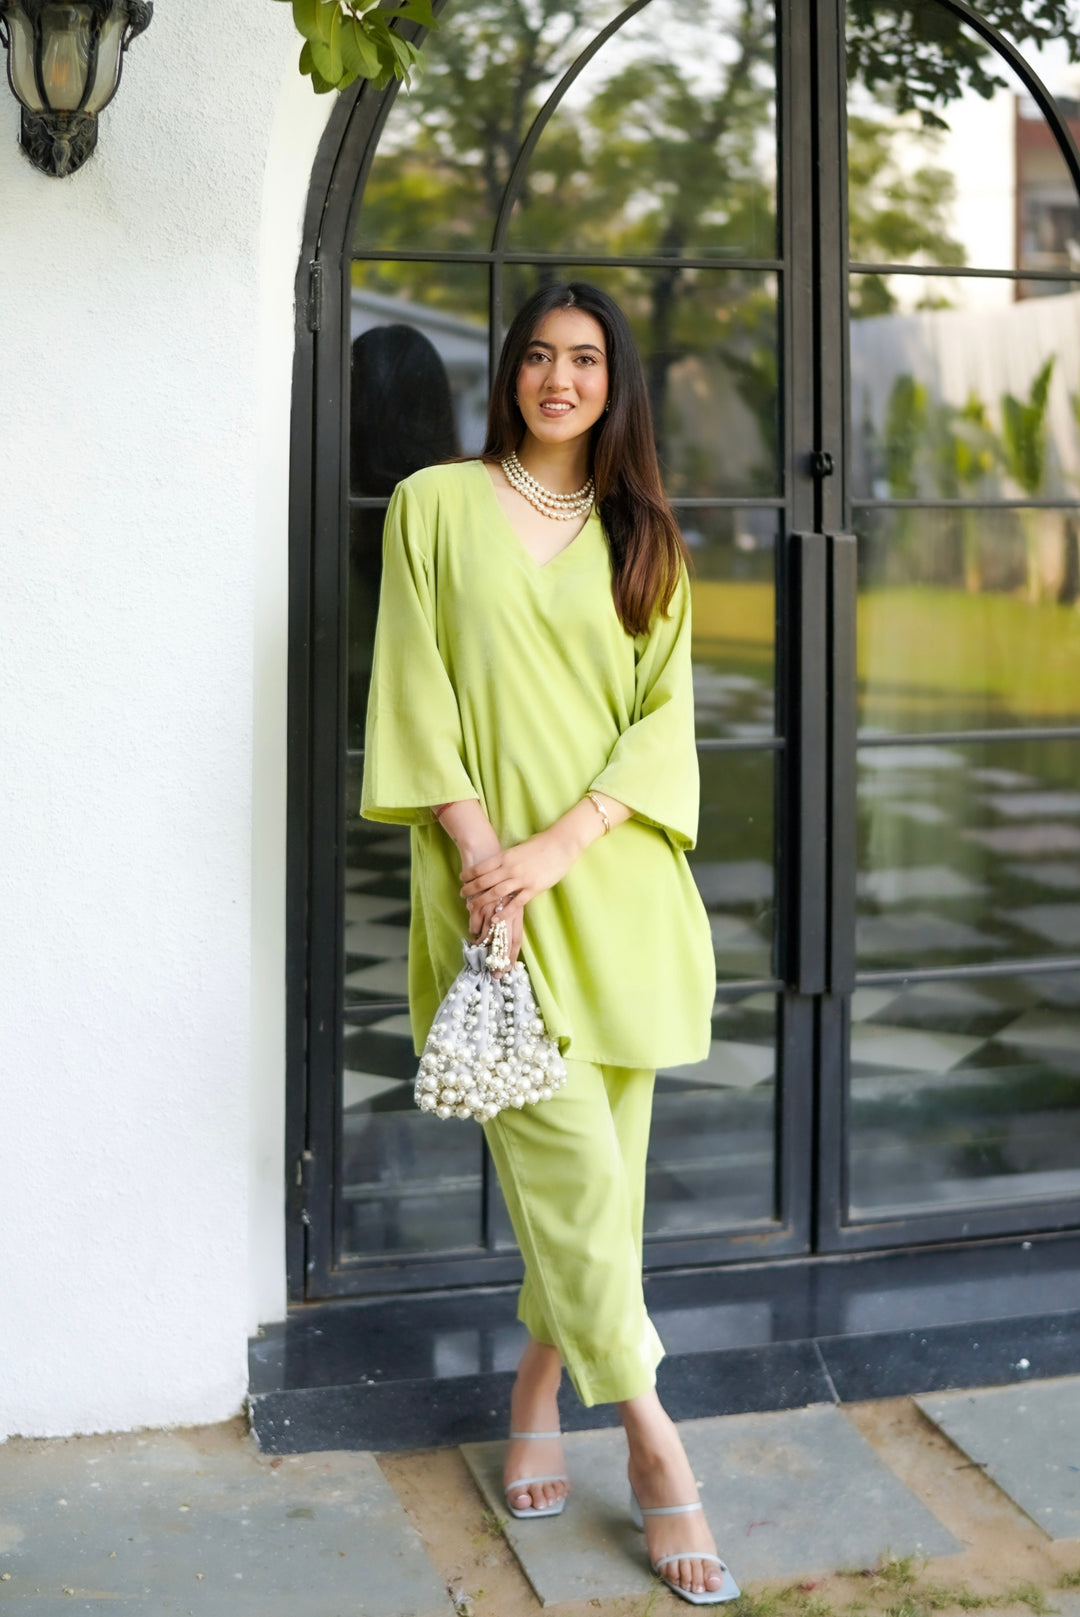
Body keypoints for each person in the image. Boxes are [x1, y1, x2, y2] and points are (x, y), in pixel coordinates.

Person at [360, 281, 738, 1605]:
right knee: (572, 1174)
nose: (558, 378)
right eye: (537, 355)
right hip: (491, 903)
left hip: (613, 888)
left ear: (613, 380)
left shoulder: (648, 538)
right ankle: (654, 1439)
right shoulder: (432, 507)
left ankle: (535, 1389)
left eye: (584, 358)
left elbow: (663, 726)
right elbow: (412, 692)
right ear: (510, 373)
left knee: (602, 1191)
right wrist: (488, 860)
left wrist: (560, 845)